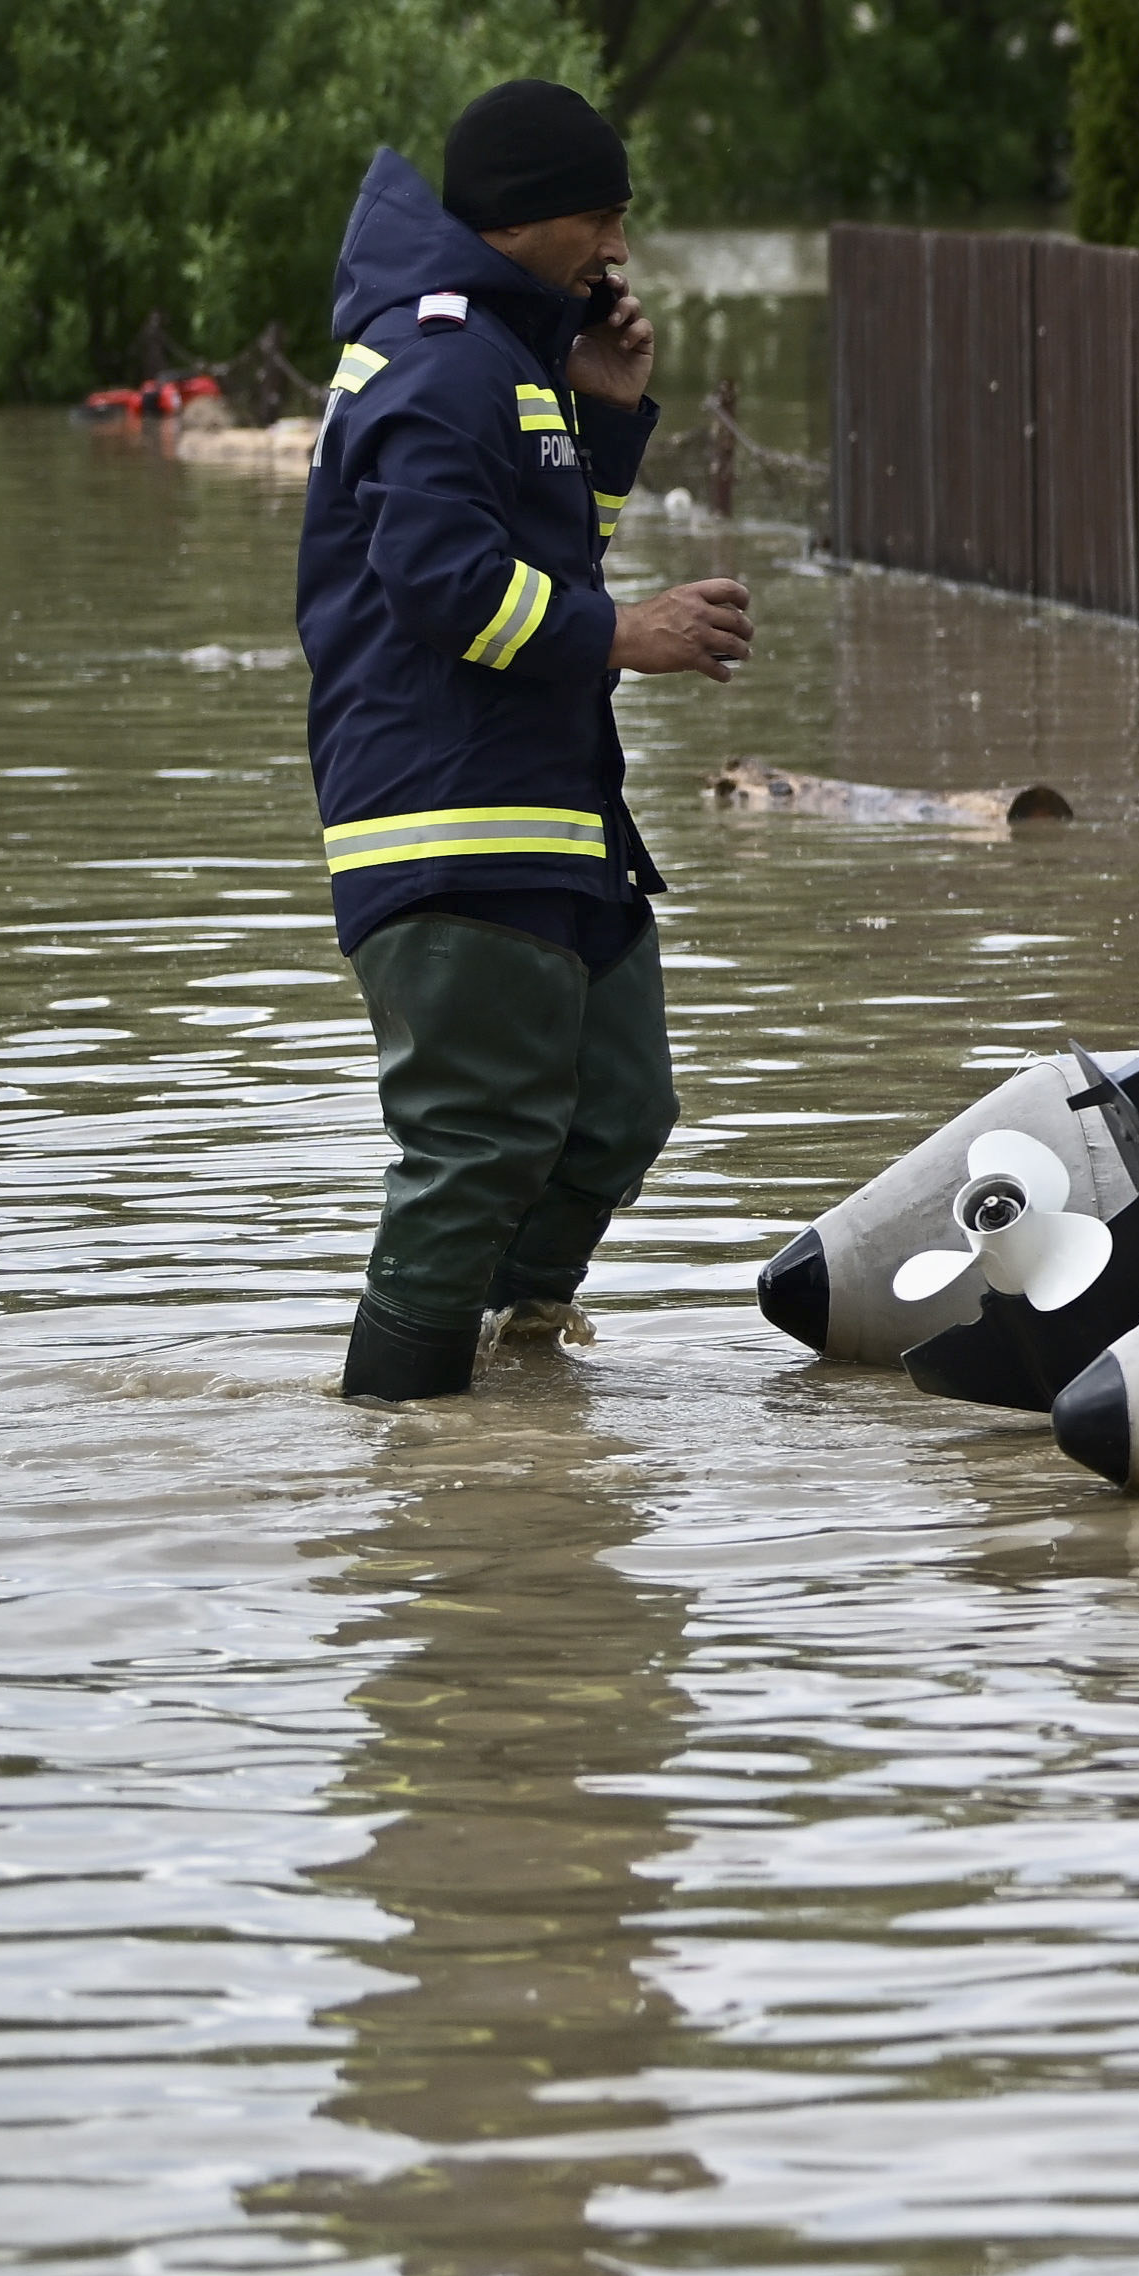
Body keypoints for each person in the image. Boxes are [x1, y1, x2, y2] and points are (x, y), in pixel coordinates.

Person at [297, 78, 758, 1404]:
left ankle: (514, 1388)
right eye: (600, 219)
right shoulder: (437, 355)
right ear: (522, 218)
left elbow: (539, 550)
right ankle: (412, 1443)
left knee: (620, 1111)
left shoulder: (506, 352)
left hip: (555, 809)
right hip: (449, 814)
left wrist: (605, 418)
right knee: (481, 1141)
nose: (616, 251)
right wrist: (633, 634)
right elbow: (441, 586)